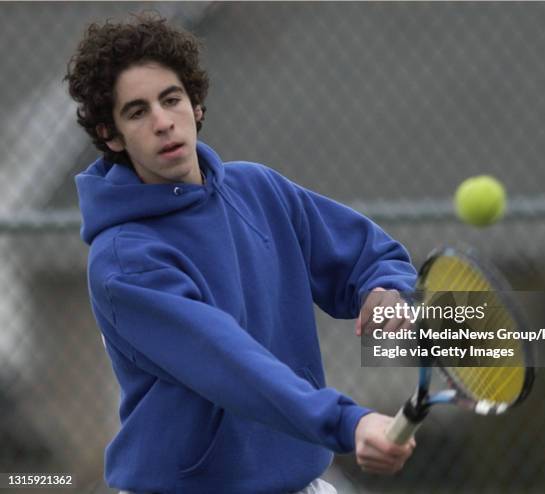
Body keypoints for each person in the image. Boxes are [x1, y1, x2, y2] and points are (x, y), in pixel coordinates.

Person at [67, 12, 418, 494]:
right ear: (111, 135)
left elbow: (367, 253)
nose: (163, 122)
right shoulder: (123, 262)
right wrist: (348, 422)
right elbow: (230, 362)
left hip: (300, 480)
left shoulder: (259, 189)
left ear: (197, 105)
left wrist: (383, 291)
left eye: (172, 100)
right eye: (137, 111)